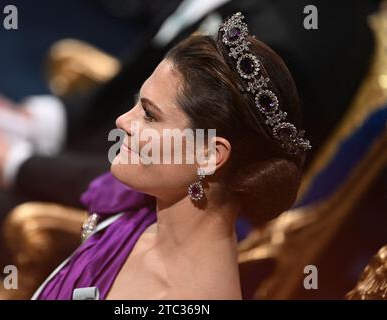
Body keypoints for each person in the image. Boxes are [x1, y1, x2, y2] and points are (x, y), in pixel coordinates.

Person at [33, 12, 310, 300]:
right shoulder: (133, 215)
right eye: (136, 105)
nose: (123, 121)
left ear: (209, 155)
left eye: (150, 115)